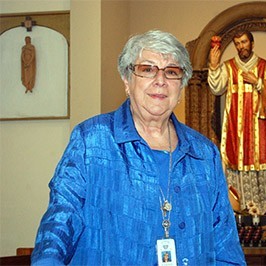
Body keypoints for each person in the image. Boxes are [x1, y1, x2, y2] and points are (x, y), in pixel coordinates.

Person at [31, 30, 245, 265]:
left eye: (172, 72)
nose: (160, 81)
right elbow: (59, 224)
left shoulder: (204, 154)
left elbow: (225, 247)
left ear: (181, 86)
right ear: (127, 80)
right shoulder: (91, 140)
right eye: (147, 69)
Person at [208, 30, 266, 215]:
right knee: (238, 164)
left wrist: (258, 82)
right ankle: (239, 209)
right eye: (238, 43)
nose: (241, 46)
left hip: (261, 131)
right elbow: (216, 88)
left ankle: (265, 210)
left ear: (252, 43)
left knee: (262, 163)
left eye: (244, 42)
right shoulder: (229, 67)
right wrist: (214, 66)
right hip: (238, 131)